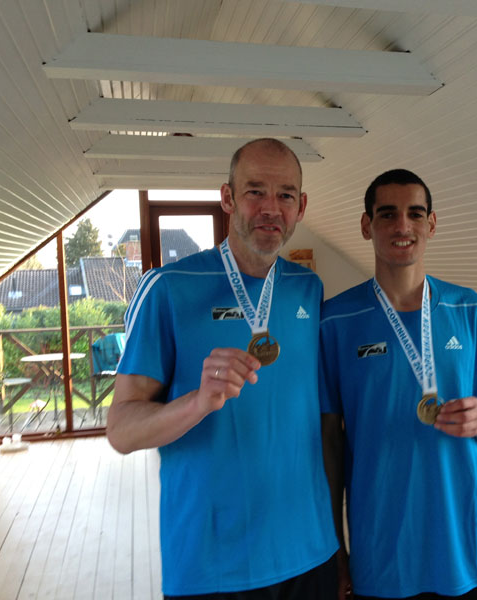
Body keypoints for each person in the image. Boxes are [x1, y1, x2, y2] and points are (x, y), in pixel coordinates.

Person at [107, 138, 338, 599]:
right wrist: (195, 403)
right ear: (228, 197)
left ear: (301, 206)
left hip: (310, 554)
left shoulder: (308, 289)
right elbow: (121, 430)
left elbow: (324, 423)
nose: (271, 208)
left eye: (286, 195)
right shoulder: (167, 288)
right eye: (255, 191)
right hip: (211, 565)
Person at [320, 169, 477, 600]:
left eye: (415, 214)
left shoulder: (474, 311)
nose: (402, 226)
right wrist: (336, 548)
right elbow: (329, 445)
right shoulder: (334, 322)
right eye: (387, 215)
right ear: (367, 226)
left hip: (473, 544)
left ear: (432, 224)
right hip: (384, 552)